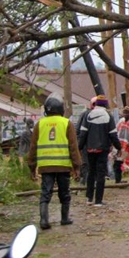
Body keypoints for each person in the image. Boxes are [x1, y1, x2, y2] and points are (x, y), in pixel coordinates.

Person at [27, 94, 82, 229]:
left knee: (45, 193)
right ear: (61, 109)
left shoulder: (39, 125)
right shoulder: (66, 123)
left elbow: (32, 148)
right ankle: (64, 218)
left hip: (46, 166)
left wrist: (32, 167)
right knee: (65, 193)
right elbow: (73, 147)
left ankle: (44, 221)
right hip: (63, 166)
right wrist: (77, 167)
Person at [78, 95, 121, 207]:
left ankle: (89, 198)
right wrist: (119, 147)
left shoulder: (88, 115)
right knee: (101, 174)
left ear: (96, 104)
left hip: (89, 149)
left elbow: (83, 134)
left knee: (91, 172)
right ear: (106, 105)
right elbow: (113, 135)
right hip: (102, 150)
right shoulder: (108, 116)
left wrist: (79, 147)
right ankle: (98, 200)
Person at [76, 96, 97, 187]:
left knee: (87, 162)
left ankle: (86, 180)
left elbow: (77, 130)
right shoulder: (103, 114)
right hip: (93, 143)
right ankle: (88, 180)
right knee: (90, 162)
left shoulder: (85, 114)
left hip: (88, 143)